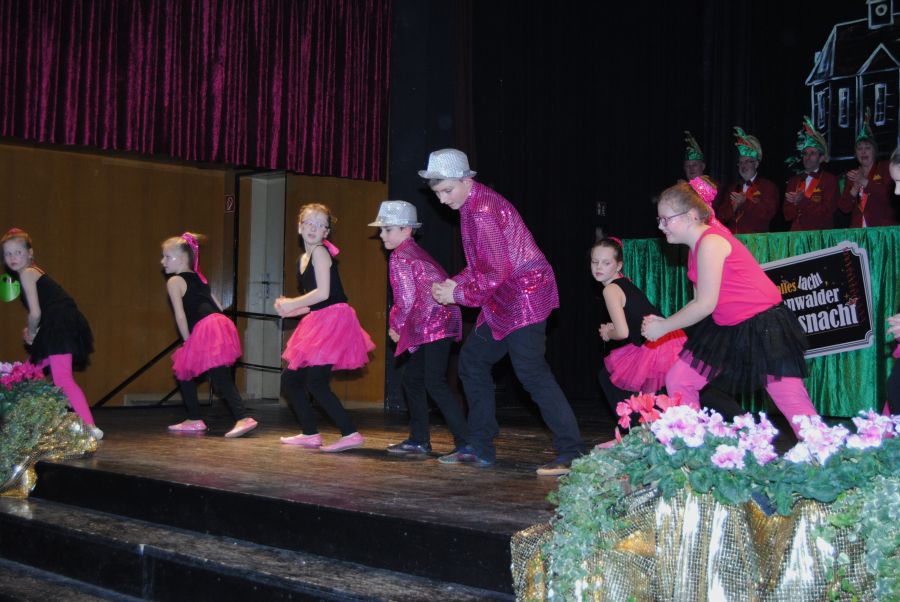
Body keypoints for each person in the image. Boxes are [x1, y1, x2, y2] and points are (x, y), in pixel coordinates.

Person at [424, 148, 582, 476]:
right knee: (472, 362)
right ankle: (480, 447)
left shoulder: (481, 210)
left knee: (531, 373)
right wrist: (455, 282)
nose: (442, 199)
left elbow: (495, 273)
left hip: (524, 297)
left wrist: (457, 294)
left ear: (467, 180)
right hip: (504, 298)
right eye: (437, 193)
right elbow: (481, 266)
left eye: (447, 190)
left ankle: (572, 453)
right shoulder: (470, 205)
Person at [641, 182, 819, 438]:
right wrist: (663, 323)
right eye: (659, 219)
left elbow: (705, 304)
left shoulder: (711, 243)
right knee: (680, 379)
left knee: (791, 400)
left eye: (666, 219)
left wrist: (664, 327)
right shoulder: (695, 248)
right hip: (728, 326)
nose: (661, 226)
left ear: (691, 216)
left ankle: (823, 450)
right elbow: (699, 303)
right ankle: (692, 443)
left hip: (764, 326)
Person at [369, 200, 468, 456]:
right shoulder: (413, 252)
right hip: (435, 321)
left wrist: (398, 327)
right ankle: (419, 439)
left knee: (434, 382)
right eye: (381, 230)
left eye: (387, 229)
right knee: (412, 379)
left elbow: (406, 299)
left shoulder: (401, 256)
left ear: (406, 230)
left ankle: (466, 443)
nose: (382, 235)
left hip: (434, 322)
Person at [275, 203, 375, 452]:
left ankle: (350, 433)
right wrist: (290, 309)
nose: (313, 228)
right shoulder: (302, 259)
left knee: (316, 382)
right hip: (320, 319)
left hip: (334, 321)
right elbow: (315, 303)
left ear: (326, 233)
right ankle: (310, 433)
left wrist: (292, 303)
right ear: (300, 227)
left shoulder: (320, 252)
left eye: (320, 225)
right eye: (309, 222)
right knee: (291, 379)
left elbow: (324, 293)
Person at [2, 228, 102, 439]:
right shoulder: (33, 271)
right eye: (8, 254)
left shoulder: (27, 273)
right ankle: (30, 424)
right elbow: (45, 309)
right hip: (59, 323)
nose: (12, 258)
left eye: (18, 252)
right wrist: (34, 329)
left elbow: (36, 313)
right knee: (30, 373)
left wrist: (31, 332)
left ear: (30, 253)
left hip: (60, 325)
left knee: (62, 378)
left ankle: (89, 426)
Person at [161, 233, 257, 438]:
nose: (163, 262)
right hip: (219, 323)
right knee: (184, 371)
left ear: (183, 258)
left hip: (205, 328)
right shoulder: (199, 278)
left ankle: (243, 417)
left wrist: (188, 341)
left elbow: (180, 315)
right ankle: (194, 418)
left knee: (218, 375)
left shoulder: (174, 281)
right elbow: (218, 306)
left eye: (167, 257)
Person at [593, 237, 686, 405]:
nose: (599, 267)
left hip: (658, 346)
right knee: (659, 395)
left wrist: (608, 333)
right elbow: (635, 314)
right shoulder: (624, 281)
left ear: (618, 266)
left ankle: (634, 420)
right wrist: (615, 327)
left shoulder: (610, 290)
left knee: (610, 379)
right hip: (666, 340)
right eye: (595, 262)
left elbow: (623, 333)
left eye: (606, 263)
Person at [713, 127, 779, 233]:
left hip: (757, 240)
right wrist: (733, 208)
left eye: (748, 161)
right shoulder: (732, 188)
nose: (743, 165)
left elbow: (769, 213)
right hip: (734, 239)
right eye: (741, 162)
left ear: (756, 164)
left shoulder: (767, 186)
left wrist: (745, 203)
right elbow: (720, 217)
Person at [838, 109, 897, 228]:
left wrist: (864, 182)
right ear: (856, 154)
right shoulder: (853, 174)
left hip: (882, 230)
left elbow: (890, 197)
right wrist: (854, 189)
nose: (863, 152)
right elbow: (844, 208)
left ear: (875, 151)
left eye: (867, 148)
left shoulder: (886, 168)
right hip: (858, 232)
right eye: (859, 149)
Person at [783, 117, 839, 231]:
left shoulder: (829, 180)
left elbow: (827, 212)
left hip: (819, 235)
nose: (807, 157)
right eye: (805, 153)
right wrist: (796, 204)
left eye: (812, 153)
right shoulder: (794, 181)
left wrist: (802, 201)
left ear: (821, 158)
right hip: (797, 236)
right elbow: (787, 214)